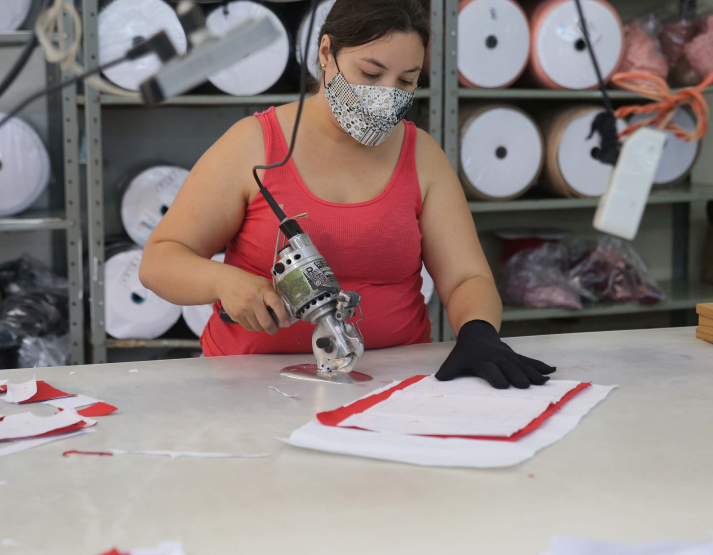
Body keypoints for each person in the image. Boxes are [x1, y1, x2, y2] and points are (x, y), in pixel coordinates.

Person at [140, 0, 555, 389]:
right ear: (326, 53)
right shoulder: (253, 146)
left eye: (406, 81)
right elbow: (160, 261)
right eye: (371, 74)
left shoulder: (422, 156)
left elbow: (466, 277)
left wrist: (479, 331)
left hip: (392, 384)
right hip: (250, 384)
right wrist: (222, 280)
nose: (387, 94)